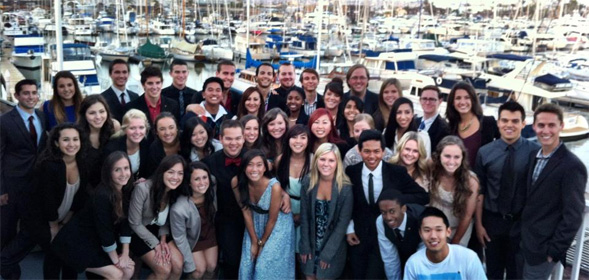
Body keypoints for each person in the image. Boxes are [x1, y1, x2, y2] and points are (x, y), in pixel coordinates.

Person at [345, 130, 429, 279]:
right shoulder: (351, 172)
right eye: (367, 151)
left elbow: (423, 196)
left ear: (383, 151)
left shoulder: (397, 172)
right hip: (358, 238)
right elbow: (347, 203)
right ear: (359, 151)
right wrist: (349, 227)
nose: (372, 156)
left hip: (387, 237)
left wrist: (396, 200)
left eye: (377, 151)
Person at [518, 104, 587, 279]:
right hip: (523, 243)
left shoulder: (572, 166)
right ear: (534, 127)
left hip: (543, 251)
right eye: (541, 125)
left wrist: (553, 251)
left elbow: (573, 215)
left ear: (561, 126)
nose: (545, 130)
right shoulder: (534, 155)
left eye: (551, 125)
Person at [474, 101, 540, 280]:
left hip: (520, 224)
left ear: (523, 124)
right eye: (504, 120)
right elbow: (480, 192)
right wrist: (479, 225)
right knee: (492, 272)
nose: (509, 125)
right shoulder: (485, 152)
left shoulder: (535, 152)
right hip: (492, 222)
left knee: (516, 273)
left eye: (514, 121)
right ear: (498, 122)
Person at [51, 151, 135, 280]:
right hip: (75, 244)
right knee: (116, 274)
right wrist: (116, 261)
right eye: (117, 170)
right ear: (109, 172)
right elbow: (105, 231)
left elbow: (125, 223)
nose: (123, 174)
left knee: (128, 270)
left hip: (95, 243)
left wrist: (125, 253)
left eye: (126, 168)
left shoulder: (125, 190)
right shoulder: (102, 195)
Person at [0, 79, 47, 279]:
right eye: (26, 93)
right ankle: (9, 272)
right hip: (12, 185)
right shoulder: (4, 121)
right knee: (7, 229)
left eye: (34, 93)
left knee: (31, 228)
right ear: (17, 96)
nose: (30, 97)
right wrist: (1, 189)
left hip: (35, 184)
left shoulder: (41, 116)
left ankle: (6, 261)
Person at [231, 150, 295, 279]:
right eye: (250, 164)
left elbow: (273, 219)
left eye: (259, 165)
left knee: (263, 266)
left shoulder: (274, 187)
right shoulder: (236, 182)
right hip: (254, 222)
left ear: (265, 168)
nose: (254, 169)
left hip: (278, 226)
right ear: (243, 167)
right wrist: (254, 241)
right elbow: (246, 212)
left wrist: (261, 244)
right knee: (248, 261)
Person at [37, 123, 89, 279]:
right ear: (56, 143)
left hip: (69, 217)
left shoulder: (82, 162)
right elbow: (47, 199)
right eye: (66, 140)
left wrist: (67, 221)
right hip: (46, 219)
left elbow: (80, 195)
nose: (72, 144)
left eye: (75, 139)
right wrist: (54, 226)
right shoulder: (48, 165)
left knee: (70, 258)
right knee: (53, 258)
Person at [299, 143, 353, 279]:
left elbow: (342, 225)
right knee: (309, 276)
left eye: (331, 160)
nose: (326, 164)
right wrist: (305, 245)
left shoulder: (345, 188)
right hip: (311, 243)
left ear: (337, 163)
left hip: (332, 247)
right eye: (322, 159)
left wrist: (328, 253)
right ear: (316, 160)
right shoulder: (308, 181)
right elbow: (304, 217)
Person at [128, 155, 185, 280]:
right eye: (171, 172)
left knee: (178, 265)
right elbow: (134, 223)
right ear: (162, 172)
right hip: (138, 233)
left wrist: (163, 239)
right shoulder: (142, 189)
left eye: (180, 173)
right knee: (164, 269)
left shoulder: (173, 190)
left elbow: (164, 220)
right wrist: (156, 244)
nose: (176, 177)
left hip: (157, 230)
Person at [201, 120, 246, 279]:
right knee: (232, 261)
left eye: (237, 138)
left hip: (252, 218)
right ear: (220, 138)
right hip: (225, 220)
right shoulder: (209, 162)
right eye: (228, 139)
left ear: (243, 138)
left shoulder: (253, 159)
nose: (233, 143)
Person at [403, 207, 487, 280]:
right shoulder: (413, 264)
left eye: (439, 230)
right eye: (427, 230)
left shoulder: (468, 258)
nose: (433, 236)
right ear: (420, 233)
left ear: (448, 231)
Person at [171, 161, 218, 279]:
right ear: (189, 183)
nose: (202, 183)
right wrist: (189, 264)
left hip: (209, 234)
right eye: (197, 179)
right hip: (191, 239)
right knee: (198, 270)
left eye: (204, 177)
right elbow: (180, 238)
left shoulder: (212, 189)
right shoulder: (179, 208)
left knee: (211, 266)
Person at [429, 136, 478, 247]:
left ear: (462, 158)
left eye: (456, 157)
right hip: (433, 227)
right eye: (447, 156)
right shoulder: (431, 169)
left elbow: (467, 216)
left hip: (458, 229)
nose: (451, 161)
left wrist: (454, 243)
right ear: (439, 156)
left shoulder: (471, 181)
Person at [275, 125, 312, 265]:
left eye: (303, 137)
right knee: (286, 256)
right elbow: (276, 185)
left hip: (307, 213)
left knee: (303, 259)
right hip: (285, 211)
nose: (298, 141)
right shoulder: (280, 160)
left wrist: (303, 216)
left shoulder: (314, 160)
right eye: (294, 137)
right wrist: (284, 195)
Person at [446, 82, 498, 166]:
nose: (462, 102)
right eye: (458, 98)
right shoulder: (450, 127)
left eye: (467, 98)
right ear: (452, 102)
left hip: (480, 177)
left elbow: (504, 144)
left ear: (473, 100)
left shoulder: (488, 123)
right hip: (456, 177)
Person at [376, 189, 425, 280]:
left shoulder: (421, 218)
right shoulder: (380, 221)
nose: (388, 217)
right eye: (383, 212)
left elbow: (424, 254)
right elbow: (390, 259)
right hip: (401, 256)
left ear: (403, 209)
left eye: (392, 211)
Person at [78, 95, 120, 188]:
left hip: (111, 185)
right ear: (84, 114)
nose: (98, 117)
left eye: (102, 111)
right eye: (92, 113)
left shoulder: (114, 127)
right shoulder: (77, 134)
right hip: (86, 186)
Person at [125, 66, 180, 132]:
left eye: (157, 83)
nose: (154, 87)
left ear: (162, 83)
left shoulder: (173, 105)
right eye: (150, 83)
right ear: (143, 85)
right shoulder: (132, 107)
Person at [104, 109, 150, 181]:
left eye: (141, 127)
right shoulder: (112, 149)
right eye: (132, 128)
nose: (137, 132)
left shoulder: (146, 144)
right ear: (124, 130)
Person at [413, 85, 449, 152]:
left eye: (432, 99)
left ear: (440, 101)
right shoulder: (414, 122)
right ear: (420, 100)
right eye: (424, 99)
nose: (427, 102)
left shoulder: (445, 129)